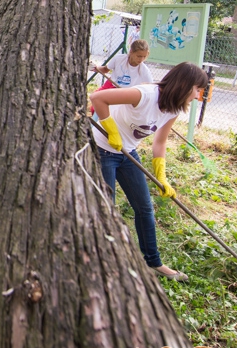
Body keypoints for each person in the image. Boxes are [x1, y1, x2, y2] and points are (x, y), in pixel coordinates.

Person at [90, 61, 209, 283]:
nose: (196, 95)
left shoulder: (173, 108)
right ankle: (103, 262)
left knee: (144, 208)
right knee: (107, 207)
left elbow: (160, 142)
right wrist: (111, 129)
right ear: (184, 85)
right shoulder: (144, 94)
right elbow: (97, 99)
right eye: (196, 88)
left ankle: (153, 262)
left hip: (128, 153)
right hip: (103, 149)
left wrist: (160, 175)